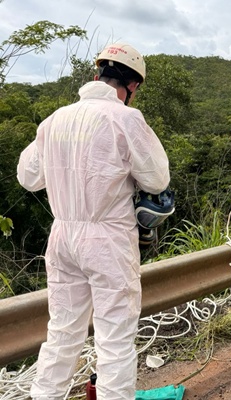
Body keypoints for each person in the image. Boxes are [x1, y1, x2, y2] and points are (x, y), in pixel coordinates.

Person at [17, 43, 170, 400]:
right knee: (115, 338)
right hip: (108, 238)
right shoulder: (125, 118)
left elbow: (28, 177)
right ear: (132, 86)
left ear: (96, 74)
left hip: (63, 236)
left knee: (63, 332)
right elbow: (157, 179)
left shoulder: (55, 119)